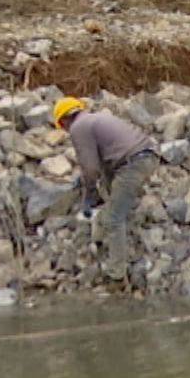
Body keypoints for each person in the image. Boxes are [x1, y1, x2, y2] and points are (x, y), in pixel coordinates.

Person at [54, 96, 157, 279]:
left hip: (131, 165)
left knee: (114, 218)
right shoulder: (95, 118)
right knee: (111, 197)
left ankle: (116, 272)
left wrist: (88, 196)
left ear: (63, 121)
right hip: (146, 156)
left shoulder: (78, 127)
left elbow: (90, 169)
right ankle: (102, 238)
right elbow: (102, 162)